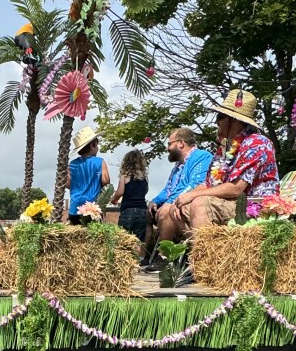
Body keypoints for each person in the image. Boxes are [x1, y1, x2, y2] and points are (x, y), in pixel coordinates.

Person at [175, 90, 280, 229]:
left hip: (254, 206)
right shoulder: (225, 148)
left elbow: (236, 188)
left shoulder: (257, 143)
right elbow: (208, 184)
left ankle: (204, 251)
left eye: (221, 116)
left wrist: (193, 197)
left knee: (200, 204)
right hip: (231, 203)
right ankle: (202, 249)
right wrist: (185, 197)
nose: (216, 121)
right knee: (177, 208)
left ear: (234, 120)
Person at [148, 127, 213, 252]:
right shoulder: (178, 166)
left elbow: (195, 184)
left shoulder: (201, 156)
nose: (168, 148)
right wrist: (155, 201)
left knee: (165, 212)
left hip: (193, 200)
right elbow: (168, 189)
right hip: (180, 199)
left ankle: (165, 256)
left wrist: (171, 202)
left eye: (169, 144)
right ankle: (144, 255)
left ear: (181, 143)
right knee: (147, 212)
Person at [67, 125, 110, 224]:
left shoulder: (72, 164)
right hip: (93, 208)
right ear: (92, 146)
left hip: (75, 208)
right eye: (96, 145)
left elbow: (68, 184)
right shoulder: (100, 162)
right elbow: (106, 182)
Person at [115, 149, 150, 246]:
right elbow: (146, 191)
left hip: (128, 211)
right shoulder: (144, 177)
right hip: (142, 211)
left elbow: (120, 192)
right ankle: (140, 258)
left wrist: (114, 199)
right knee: (138, 240)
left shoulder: (125, 176)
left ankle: (124, 259)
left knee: (123, 238)